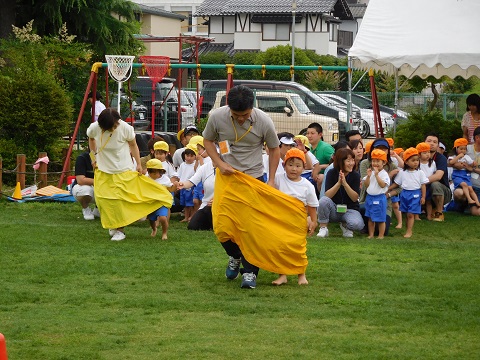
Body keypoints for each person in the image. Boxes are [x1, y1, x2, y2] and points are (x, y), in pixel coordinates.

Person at [203, 85, 280, 289]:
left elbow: (274, 149)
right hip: (226, 179)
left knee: (250, 228)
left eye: (245, 115)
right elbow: (208, 141)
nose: (240, 119)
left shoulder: (264, 121)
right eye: (236, 115)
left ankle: (250, 273)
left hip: (253, 179)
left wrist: (271, 180)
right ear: (229, 109)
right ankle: (234, 256)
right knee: (221, 225)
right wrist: (220, 163)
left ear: (252, 109)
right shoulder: (217, 117)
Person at [86, 108, 173, 241]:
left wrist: (138, 164)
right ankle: (113, 225)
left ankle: (120, 230)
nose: (115, 128)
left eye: (115, 125)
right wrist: (93, 158)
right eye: (112, 127)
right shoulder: (94, 128)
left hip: (123, 170)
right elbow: (91, 139)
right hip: (103, 170)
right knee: (103, 200)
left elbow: (133, 145)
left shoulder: (125, 128)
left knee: (119, 201)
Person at [272, 148, 318, 286]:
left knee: (298, 248)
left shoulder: (307, 185)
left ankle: (301, 274)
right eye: (290, 165)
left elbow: (312, 205)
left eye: (298, 166)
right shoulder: (278, 180)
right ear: (284, 166)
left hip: (298, 222)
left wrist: (314, 221)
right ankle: (282, 275)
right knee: (280, 248)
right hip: (281, 221)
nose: (294, 169)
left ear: (303, 168)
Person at [317, 148, 364, 238]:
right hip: (334, 209)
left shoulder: (355, 175)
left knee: (357, 224)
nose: (352, 163)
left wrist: (345, 184)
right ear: (340, 162)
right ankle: (323, 228)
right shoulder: (332, 173)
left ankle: (346, 226)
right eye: (348, 160)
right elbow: (328, 195)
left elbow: (355, 198)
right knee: (323, 201)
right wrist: (339, 183)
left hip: (350, 209)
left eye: (353, 160)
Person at [360, 138, 400, 236]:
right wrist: (388, 175)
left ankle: (378, 234)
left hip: (383, 199)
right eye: (377, 148)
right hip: (368, 198)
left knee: (382, 227)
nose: (381, 151)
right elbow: (365, 185)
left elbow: (400, 187)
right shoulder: (365, 163)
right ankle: (368, 230)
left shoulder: (392, 166)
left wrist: (388, 193)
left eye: (384, 149)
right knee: (369, 216)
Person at [389, 148, 428, 238]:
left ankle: (409, 231)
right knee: (406, 213)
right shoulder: (402, 173)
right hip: (404, 194)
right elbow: (396, 183)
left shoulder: (420, 173)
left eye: (417, 160)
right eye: (413, 160)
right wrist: (388, 188)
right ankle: (407, 229)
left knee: (411, 214)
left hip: (415, 194)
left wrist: (423, 197)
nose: (416, 162)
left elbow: (423, 185)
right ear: (406, 162)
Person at [145, 159, 178, 239]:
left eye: (155, 173)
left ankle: (164, 233)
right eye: (152, 173)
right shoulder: (146, 178)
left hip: (162, 202)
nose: (153, 175)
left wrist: (175, 185)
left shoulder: (165, 179)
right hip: (151, 202)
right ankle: (154, 229)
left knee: (163, 218)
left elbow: (170, 189)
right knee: (151, 219)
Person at [452, 126, 480, 215]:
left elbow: (471, 167)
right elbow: (450, 161)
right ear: (477, 137)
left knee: (477, 212)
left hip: (478, 186)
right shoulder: (466, 149)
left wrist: (471, 169)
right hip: (466, 181)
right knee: (459, 193)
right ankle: (458, 205)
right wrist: (456, 164)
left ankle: (469, 207)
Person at [424, 132, 452, 221]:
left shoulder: (441, 158)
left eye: (435, 142)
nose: (432, 143)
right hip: (425, 189)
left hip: (443, 192)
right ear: (424, 142)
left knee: (435, 184)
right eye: (429, 141)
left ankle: (439, 213)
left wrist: (420, 182)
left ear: (437, 145)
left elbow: (438, 176)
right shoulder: (418, 157)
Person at [363, 149, 390, 239]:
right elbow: (366, 185)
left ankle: (381, 235)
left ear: (384, 162)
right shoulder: (371, 173)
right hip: (370, 197)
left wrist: (377, 175)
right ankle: (371, 234)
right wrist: (368, 176)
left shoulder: (384, 174)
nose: (375, 163)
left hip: (380, 198)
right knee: (370, 217)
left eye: (378, 161)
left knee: (381, 218)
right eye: (373, 161)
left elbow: (382, 185)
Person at [448, 138, 480, 207]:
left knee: (470, 188)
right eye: (461, 149)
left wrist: (472, 164)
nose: (463, 151)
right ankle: (469, 199)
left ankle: (477, 202)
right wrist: (458, 157)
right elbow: (451, 162)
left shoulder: (466, 157)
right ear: (456, 149)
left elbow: (471, 163)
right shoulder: (453, 156)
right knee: (464, 185)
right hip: (457, 175)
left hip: (465, 175)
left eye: (465, 149)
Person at [306, 122, 335, 192]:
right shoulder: (308, 147)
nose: (309, 136)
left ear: (320, 135)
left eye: (312, 133)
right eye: (307, 133)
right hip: (310, 175)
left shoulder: (326, 148)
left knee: (320, 178)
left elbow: (336, 163)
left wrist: (321, 167)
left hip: (324, 177)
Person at [71, 150, 99, 220]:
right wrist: (100, 182)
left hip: (100, 187)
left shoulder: (108, 158)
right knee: (85, 190)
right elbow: (80, 180)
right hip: (85, 186)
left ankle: (98, 209)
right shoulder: (82, 158)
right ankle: (86, 208)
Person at [177, 144, 199, 222]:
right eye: (187, 155)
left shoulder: (196, 165)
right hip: (183, 186)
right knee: (185, 204)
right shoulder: (182, 165)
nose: (188, 158)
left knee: (191, 203)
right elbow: (179, 175)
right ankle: (186, 217)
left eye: (191, 156)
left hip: (191, 187)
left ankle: (192, 216)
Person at [417, 142, 436, 220]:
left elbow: (434, 172)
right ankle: (416, 215)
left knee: (428, 200)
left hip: (428, 184)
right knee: (417, 200)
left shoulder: (432, 163)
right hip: (418, 185)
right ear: (419, 154)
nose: (428, 154)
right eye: (425, 153)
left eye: (429, 152)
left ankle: (429, 215)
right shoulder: (417, 163)